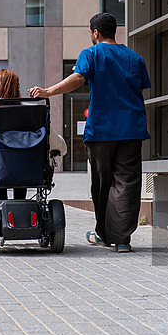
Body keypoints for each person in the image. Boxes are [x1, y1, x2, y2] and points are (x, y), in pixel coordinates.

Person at [29, 13, 151, 253]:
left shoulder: (91, 54)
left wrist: (47, 92)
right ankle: (122, 239)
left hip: (102, 130)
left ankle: (104, 234)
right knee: (127, 181)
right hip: (131, 128)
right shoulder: (135, 58)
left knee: (102, 183)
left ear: (95, 32)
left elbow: (78, 78)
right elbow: (139, 90)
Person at [0, 68, 66, 201]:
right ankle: (21, 202)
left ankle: (1, 202)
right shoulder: (31, 111)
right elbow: (56, 144)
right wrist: (62, 147)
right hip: (29, 169)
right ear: (16, 89)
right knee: (21, 161)